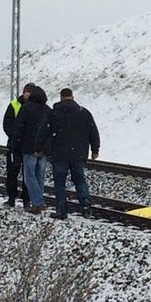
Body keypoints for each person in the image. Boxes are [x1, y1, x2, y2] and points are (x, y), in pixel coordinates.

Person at [45, 88, 100, 220]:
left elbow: (44, 132)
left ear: (61, 97)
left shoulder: (54, 113)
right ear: (72, 97)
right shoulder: (84, 113)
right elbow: (93, 132)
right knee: (79, 179)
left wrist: (40, 148)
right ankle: (85, 204)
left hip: (59, 154)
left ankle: (61, 210)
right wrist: (95, 149)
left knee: (60, 182)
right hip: (78, 154)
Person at [13, 85, 51, 214]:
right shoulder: (48, 109)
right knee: (40, 176)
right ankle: (39, 201)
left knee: (29, 176)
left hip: (29, 147)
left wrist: (15, 144)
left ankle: (37, 203)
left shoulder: (26, 108)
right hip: (44, 149)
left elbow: (19, 127)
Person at [2, 83, 34, 208]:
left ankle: (26, 199)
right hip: (15, 145)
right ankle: (12, 198)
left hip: (28, 146)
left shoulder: (35, 106)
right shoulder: (14, 104)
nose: (28, 94)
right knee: (12, 173)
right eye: (27, 92)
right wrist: (15, 136)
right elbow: (7, 124)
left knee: (28, 174)